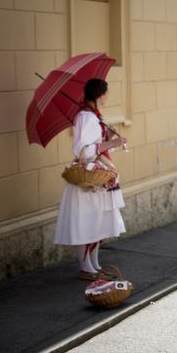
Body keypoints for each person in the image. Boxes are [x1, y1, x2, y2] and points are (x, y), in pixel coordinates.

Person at [54, 78, 128, 280]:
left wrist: (111, 141)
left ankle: (94, 265)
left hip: (99, 176)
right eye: (106, 92)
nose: (108, 96)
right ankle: (86, 267)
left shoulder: (94, 116)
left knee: (98, 221)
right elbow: (82, 150)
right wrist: (109, 143)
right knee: (88, 221)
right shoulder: (86, 117)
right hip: (89, 177)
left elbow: (96, 144)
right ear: (99, 94)